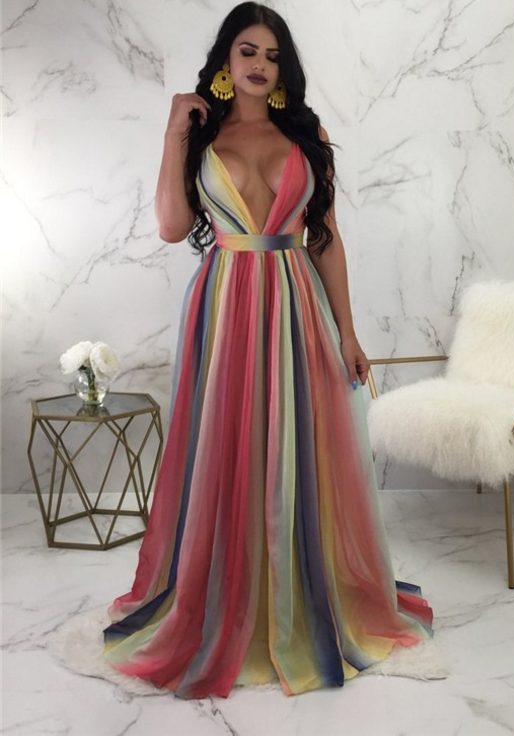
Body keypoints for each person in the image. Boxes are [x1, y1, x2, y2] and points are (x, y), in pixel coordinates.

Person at [101, 2, 433, 700]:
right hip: (223, 307)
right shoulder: (201, 134)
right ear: (226, 59)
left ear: (284, 70)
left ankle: (296, 588)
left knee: (297, 447)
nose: (260, 65)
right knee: (227, 445)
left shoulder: (307, 133)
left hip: (296, 300)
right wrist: (172, 131)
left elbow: (326, 238)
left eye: (273, 56)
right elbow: (171, 228)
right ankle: (229, 591)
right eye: (248, 51)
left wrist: (348, 331)